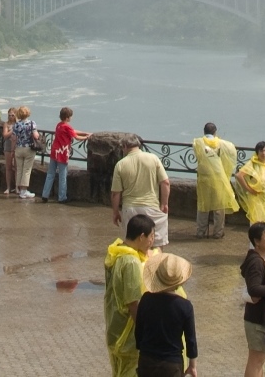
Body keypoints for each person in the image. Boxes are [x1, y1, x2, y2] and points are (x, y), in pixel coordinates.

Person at [105, 214, 156, 377]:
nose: (152, 241)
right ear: (141, 237)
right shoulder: (131, 263)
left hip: (115, 327)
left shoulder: (116, 253)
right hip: (127, 336)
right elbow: (133, 303)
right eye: (151, 236)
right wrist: (143, 334)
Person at [135, 254, 198, 377]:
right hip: (171, 365)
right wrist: (192, 366)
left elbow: (139, 331)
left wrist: (141, 350)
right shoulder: (185, 306)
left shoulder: (146, 299)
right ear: (179, 282)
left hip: (147, 360)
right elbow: (191, 340)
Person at [113, 136, 173, 247]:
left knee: (132, 245)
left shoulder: (120, 164)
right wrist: (164, 204)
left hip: (130, 209)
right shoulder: (153, 158)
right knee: (156, 244)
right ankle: (154, 263)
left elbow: (116, 193)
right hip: (151, 207)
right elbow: (165, 183)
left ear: (125, 146)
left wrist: (115, 212)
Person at [240, 221, 265, 377]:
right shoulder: (256, 262)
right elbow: (254, 289)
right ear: (256, 241)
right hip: (257, 319)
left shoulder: (263, 258)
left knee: (260, 360)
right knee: (256, 361)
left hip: (263, 317)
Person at [193, 122, 239, 239]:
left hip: (204, 177)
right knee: (219, 205)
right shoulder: (221, 144)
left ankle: (201, 232)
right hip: (218, 177)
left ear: (204, 131)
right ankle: (218, 232)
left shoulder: (198, 142)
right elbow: (232, 151)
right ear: (215, 132)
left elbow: (198, 155)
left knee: (203, 205)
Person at [41, 106, 89, 203]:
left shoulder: (59, 125)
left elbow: (72, 131)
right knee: (63, 175)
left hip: (54, 152)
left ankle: (45, 195)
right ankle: (62, 197)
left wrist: (84, 133)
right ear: (67, 117)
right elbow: (76, 137)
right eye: (70, 116)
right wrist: (87, 137)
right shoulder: (67, 126)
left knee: (50, 174)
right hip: (62, 153)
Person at [235, 142, 265, 225]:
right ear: (257, 152)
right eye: (261, 151)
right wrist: (249, 189)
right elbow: (239, 175)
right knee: (257, 221)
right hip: (257, 198)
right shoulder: (252, 163)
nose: (264, 153)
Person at [11, 105, 40, 198]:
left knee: (19, 169)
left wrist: (13, 149)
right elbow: (36, 136)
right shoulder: (31, 123)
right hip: (28, 148)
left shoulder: (16, 124)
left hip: (19, 148)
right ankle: (24, 191)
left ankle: (19, 189)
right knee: (26, 170)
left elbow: (14, 138)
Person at [1, 107, 17, 194]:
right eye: (9, 115)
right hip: (8, 146)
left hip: (16, 146)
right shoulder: (6, 124)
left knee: (17, 167)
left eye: (12, 115)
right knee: (8, 166)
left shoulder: (18, 123)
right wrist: (12, 131)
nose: (10, 117)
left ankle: (17, 187)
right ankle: (8, 187)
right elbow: (5, 135)